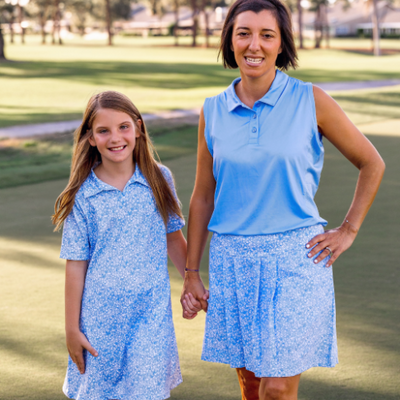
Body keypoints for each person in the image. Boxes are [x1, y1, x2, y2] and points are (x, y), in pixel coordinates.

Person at [180, 0, 385, 399]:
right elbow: (204, 194)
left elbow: (371, 163)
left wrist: (349, 229)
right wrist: (191, 270)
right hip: (233, 259)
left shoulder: (311, 100)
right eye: (244, 33)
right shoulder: (213, 110)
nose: (254, 44)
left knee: (277, 387)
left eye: (266, 34)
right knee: (253, 386)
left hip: (295, 258)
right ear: (230, 40)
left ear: (281, 44)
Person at [52, 91, 187, 400]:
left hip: (150, 316)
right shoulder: (83, 195)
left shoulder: (159, 178)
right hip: (99, 320)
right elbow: (75, 266)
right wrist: (72, 329)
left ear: (138, 128)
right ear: (90, 138)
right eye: (103, 130)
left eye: (123, 127)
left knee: (147, 393)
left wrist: (193, 282)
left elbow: (174, 238)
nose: (115, 137)